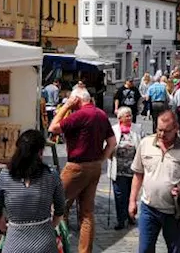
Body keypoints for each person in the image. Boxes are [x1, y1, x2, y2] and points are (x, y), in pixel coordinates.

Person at [48, 88, 115, 253]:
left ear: (76, 99)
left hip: (77, 166)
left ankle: (54, 247)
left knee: (54, 204)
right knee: (87, 214)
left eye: (70, 100)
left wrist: (64, 108)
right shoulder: (100, 114)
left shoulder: (80, 114)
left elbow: (53, 127)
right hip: (94, 166)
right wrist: (101, 159)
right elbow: (112, 142)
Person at [129, 108, 180, 253]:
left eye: (166, 131)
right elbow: (138, 174)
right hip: (149, 208)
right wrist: (132, 200)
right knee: (144, 249)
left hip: (176, 212)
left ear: (176, 128)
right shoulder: (145, 144)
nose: (162, 134)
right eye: (159, 130)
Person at [0, 129, 66, 253]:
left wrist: (6, 230)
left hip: (14, 243)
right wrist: (49, 227)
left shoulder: (5, 175)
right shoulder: (51, 175)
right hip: (45, 243)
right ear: (40, 152)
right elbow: (60, 210)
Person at [110, 107, 142, 230]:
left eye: (130, 115)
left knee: (131, 194)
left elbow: (142, 144)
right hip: (118, 169)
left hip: (133, 169)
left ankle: (131, 216)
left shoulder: (137, 128)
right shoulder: (114, 130)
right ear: (120, 118)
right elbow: (107, 146)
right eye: (127, 116)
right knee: (119, 195)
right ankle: (120, 219)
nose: (130, 117)